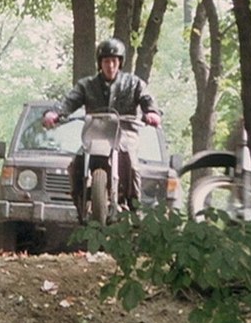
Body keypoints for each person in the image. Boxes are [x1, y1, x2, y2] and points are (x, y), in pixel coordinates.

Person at [42, 37, 162, 217]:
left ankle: (134, 208)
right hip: (95, 134)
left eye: (114, 61)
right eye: (106, 61)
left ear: (120, 62)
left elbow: (147, 99)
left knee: (131, 164)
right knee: (76, 164)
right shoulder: (86, 85)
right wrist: (55, 113)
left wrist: (152, 113)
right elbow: (69, 101)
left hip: (124, 133)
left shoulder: (134, 83)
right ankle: (80, 205)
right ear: (100, 63)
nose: (110, 66)